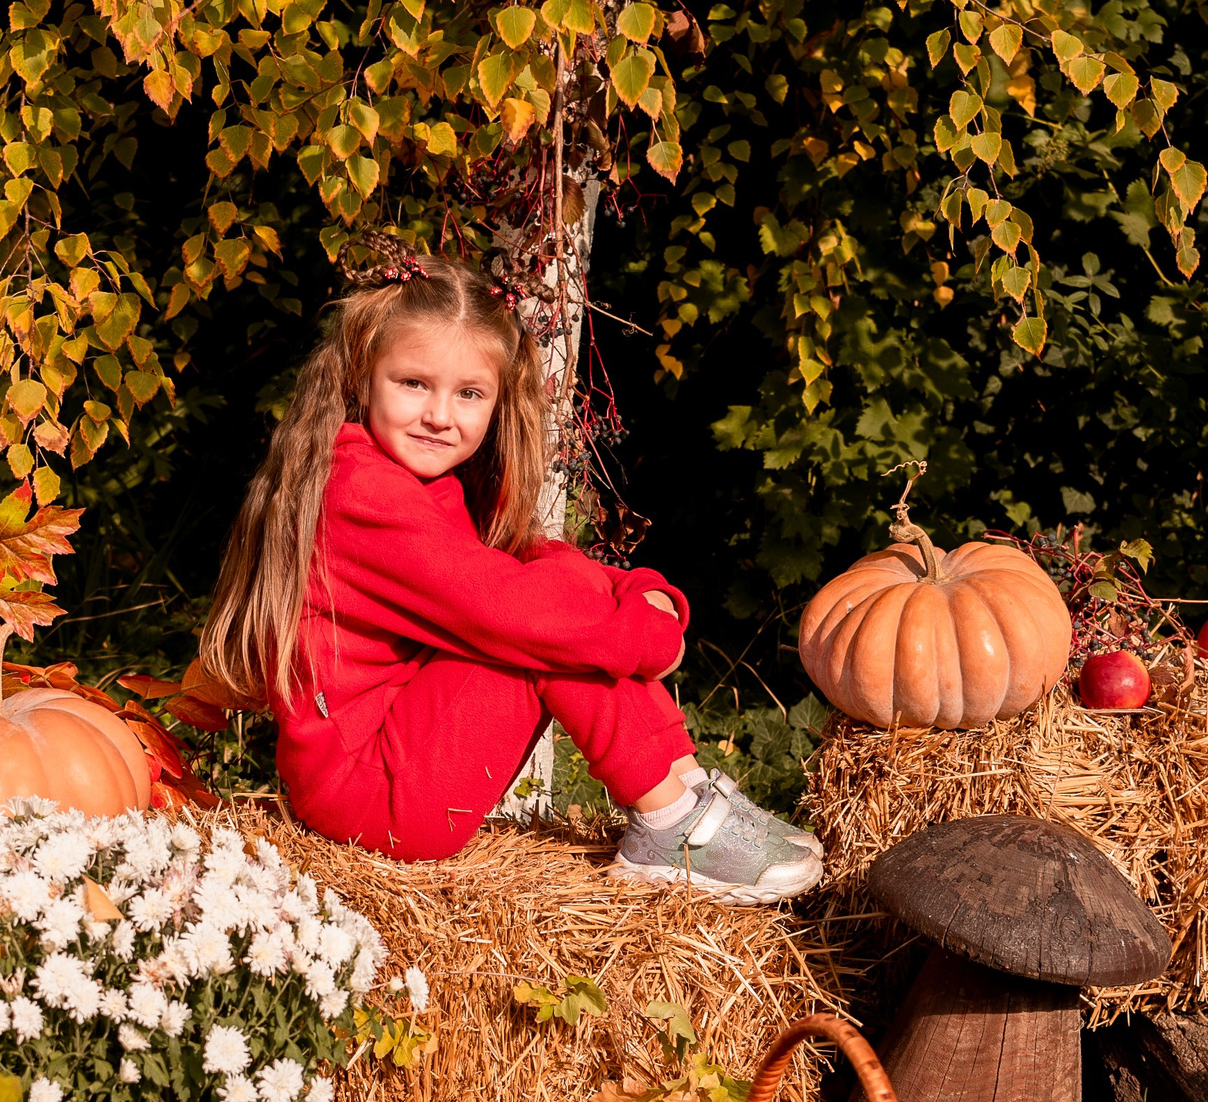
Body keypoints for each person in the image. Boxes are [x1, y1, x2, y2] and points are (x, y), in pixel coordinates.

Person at [198, 254, 821, 901]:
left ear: (497, 400)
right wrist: (648, 633)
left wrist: (633, 592)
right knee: (545, 635)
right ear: (363, 377)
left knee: (551, 589)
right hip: (368, 792)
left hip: (395, 752)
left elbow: (526, 565)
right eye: (413, 383)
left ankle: (682, 790)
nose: (441, 414)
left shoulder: (424, 482)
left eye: (469, 394)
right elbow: (510, 610)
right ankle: (669, 818)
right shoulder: (359, 488)